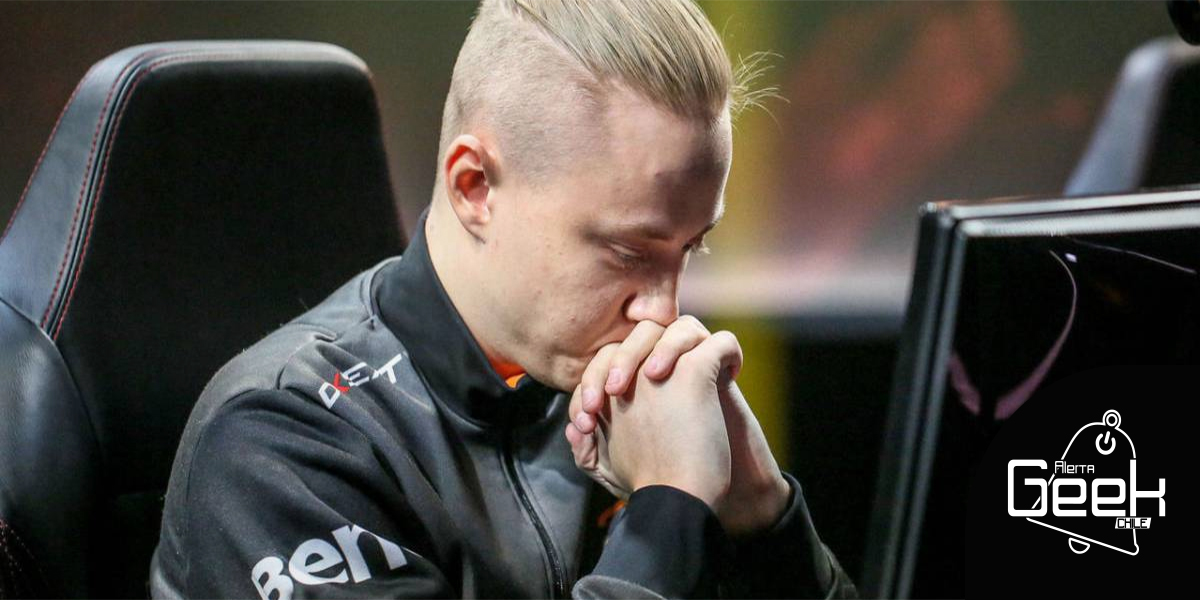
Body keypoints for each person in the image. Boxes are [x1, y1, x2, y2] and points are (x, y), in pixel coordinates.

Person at [150, 0, 857, 598]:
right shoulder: (280, 444)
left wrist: (763, 515)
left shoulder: (624, 401)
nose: (663, 313)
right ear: (475, 187)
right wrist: (666, 513)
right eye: (627, 252)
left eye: (691, 248)